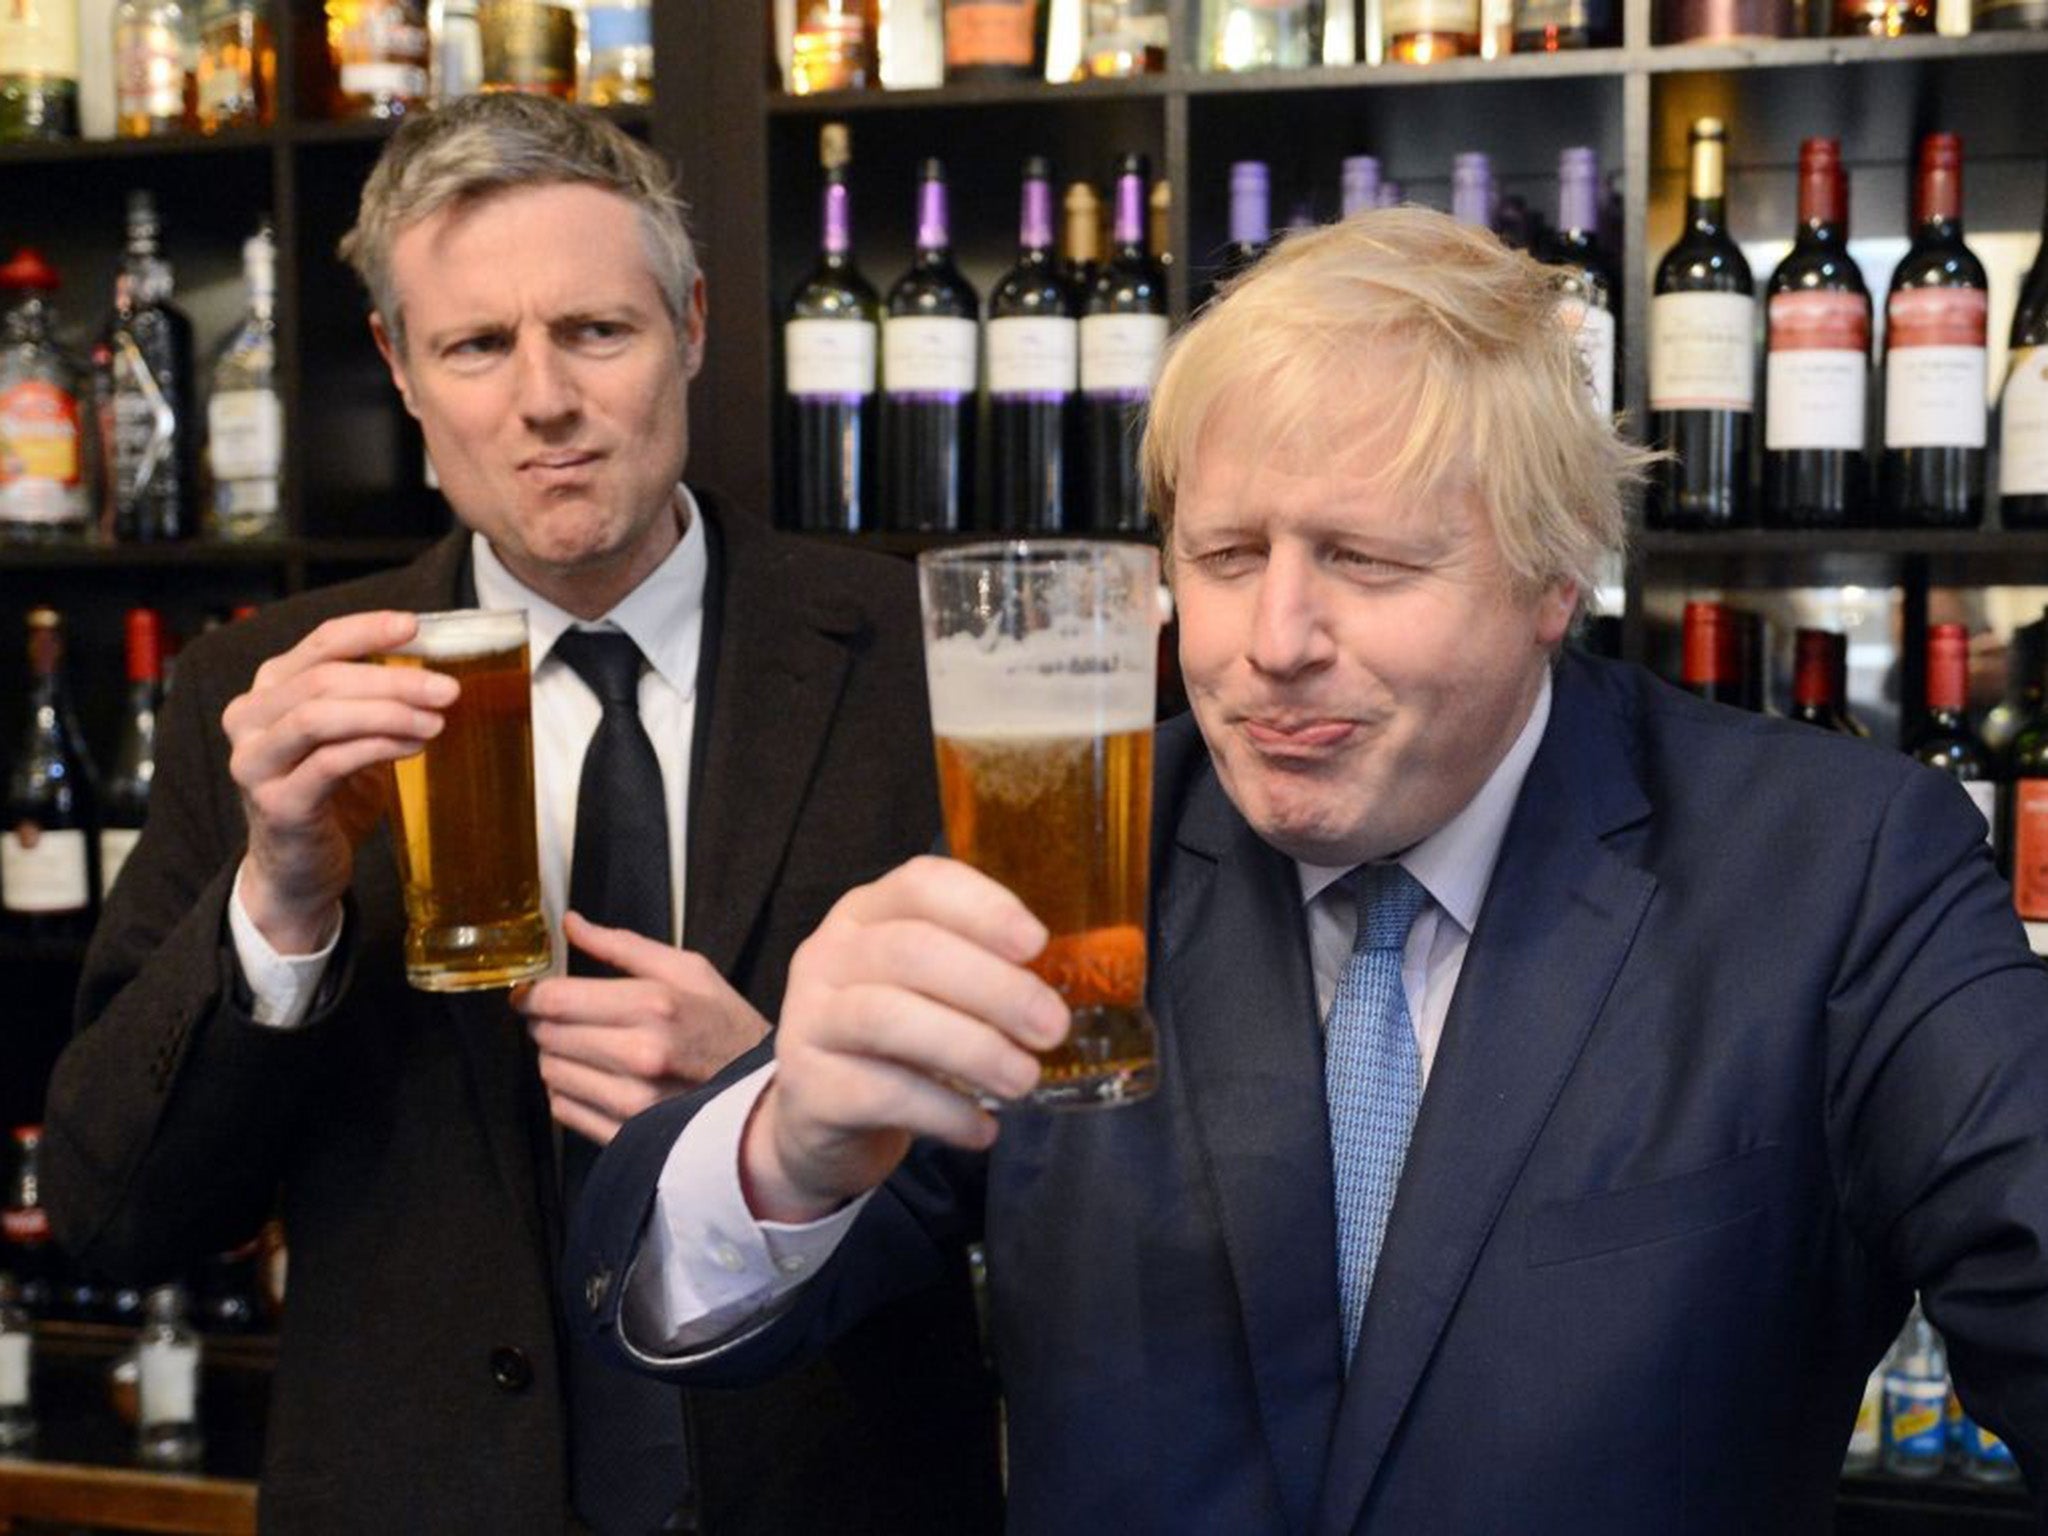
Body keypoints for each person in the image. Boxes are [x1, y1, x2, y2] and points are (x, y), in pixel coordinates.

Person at [565, 206, 2048, 1533]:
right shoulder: (1068, 850)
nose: (1273, 641)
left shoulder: (1840, 865)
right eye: (1222, 557)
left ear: (1552, 579)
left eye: (1366, 560)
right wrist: (787, 1146)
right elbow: (683, 1292)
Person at [39, 93, 1001, 1536]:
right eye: (479, 346)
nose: (542, 399)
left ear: (690, 324)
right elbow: (117, 1211)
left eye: (594, 332)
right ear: (401, 371)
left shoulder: (920, 659)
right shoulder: (265, 693)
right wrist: (281, 901)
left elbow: (1074, 1158)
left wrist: (778, 1104)